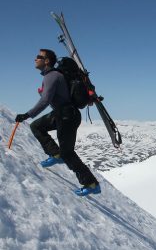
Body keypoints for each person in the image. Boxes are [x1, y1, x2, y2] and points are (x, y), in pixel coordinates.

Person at [15, 49, 101, 196]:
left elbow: (45, 100)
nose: (35, 59)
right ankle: (55, 154)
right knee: (37, 126)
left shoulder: (52, 76)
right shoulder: (53, 75)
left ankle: (92, 184)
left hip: (67, 115)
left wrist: (27, 114)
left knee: (67, 153)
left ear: (47, 61)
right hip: (63, 114)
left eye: (38, 57)